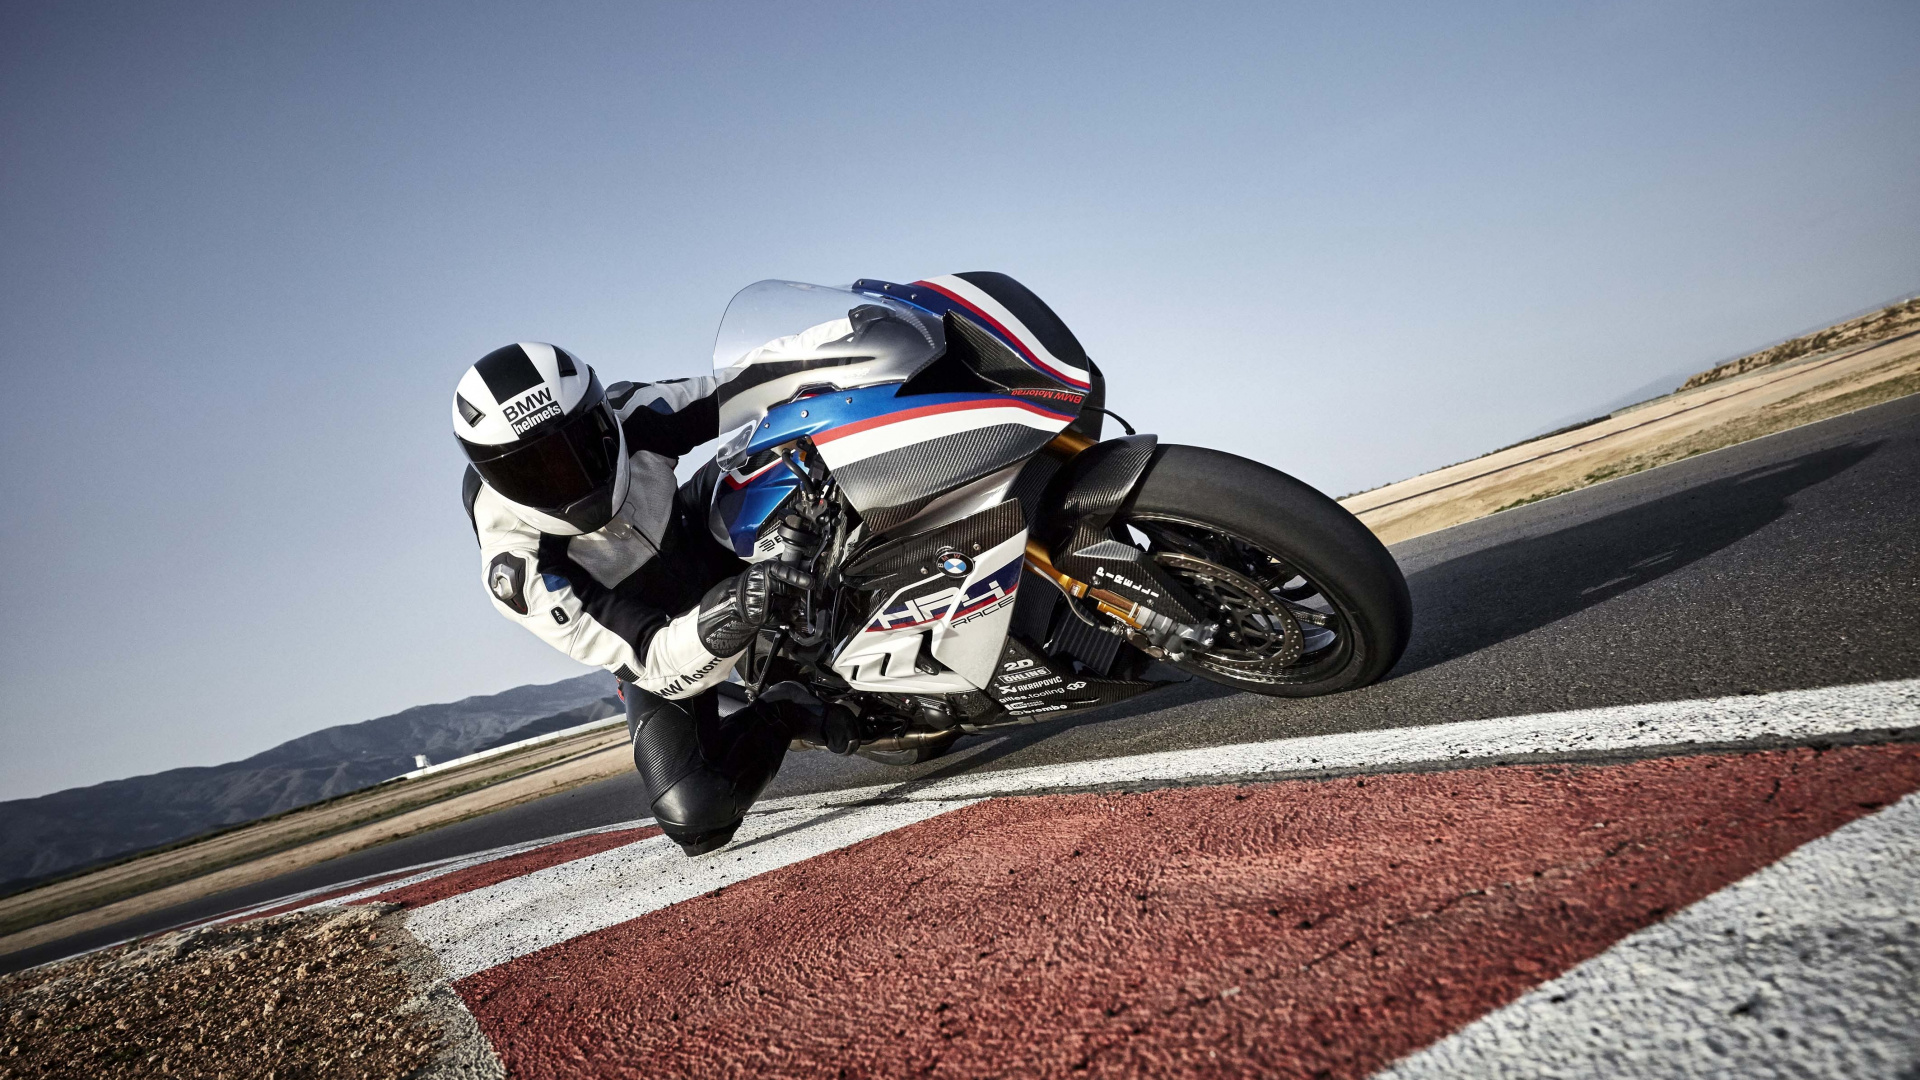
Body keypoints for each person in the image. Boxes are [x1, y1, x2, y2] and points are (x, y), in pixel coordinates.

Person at [452, 342, 820, 855]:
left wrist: (864, 334)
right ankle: (789, 706)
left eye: (579, 446)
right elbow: (654, 660)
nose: (566, 477)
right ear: (494, 478)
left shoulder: (634, 412)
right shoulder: (517, 568)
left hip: (700, 535)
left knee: (806, 439)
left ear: (602, 417)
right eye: (533, 472)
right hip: (652, 633)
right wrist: (738, 606)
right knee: (694, 812)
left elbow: (762, 377)